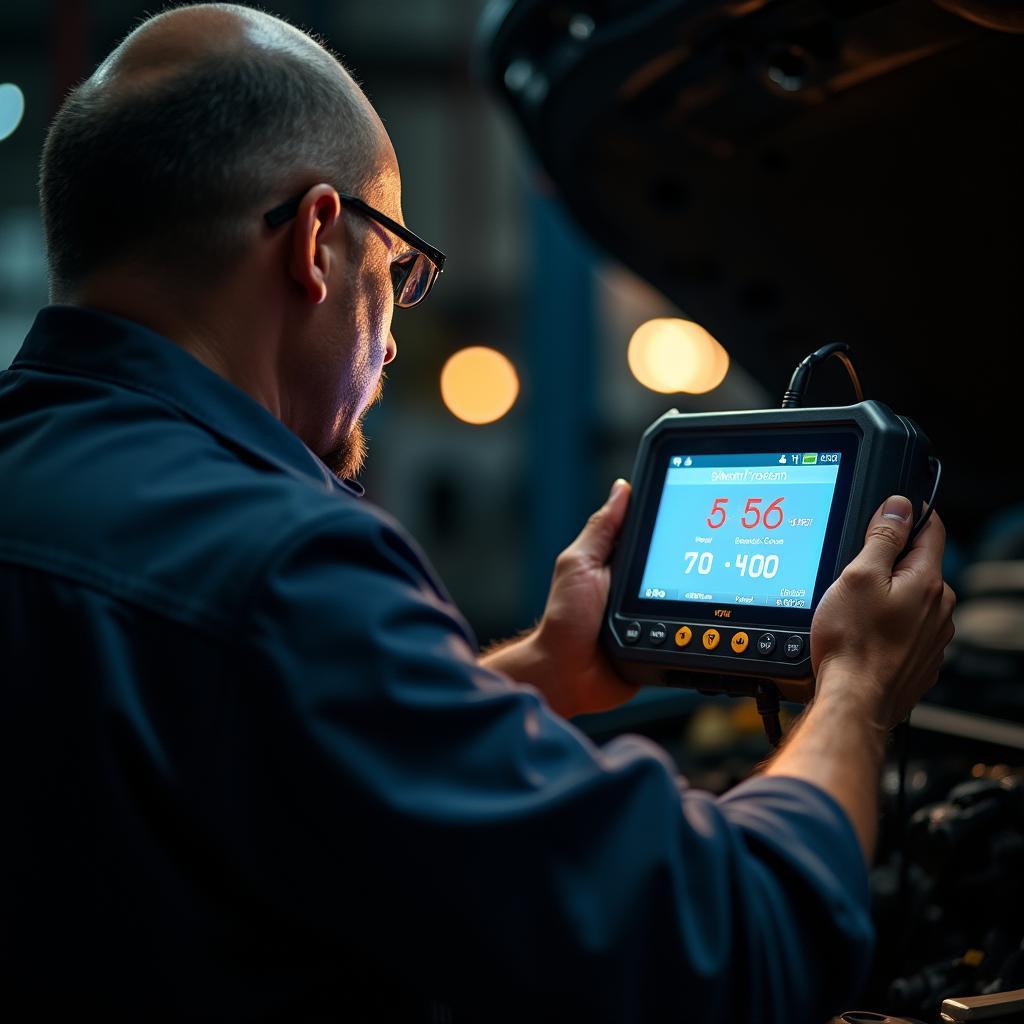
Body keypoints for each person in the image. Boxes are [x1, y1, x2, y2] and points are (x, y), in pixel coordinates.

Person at [0, 4, 956, 1021]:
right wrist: (854, 687)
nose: (396, 343)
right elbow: (730, 943)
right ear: (320, 239)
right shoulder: (282, 568)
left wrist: (540, 669)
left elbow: (249, 762)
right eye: (399, 267)